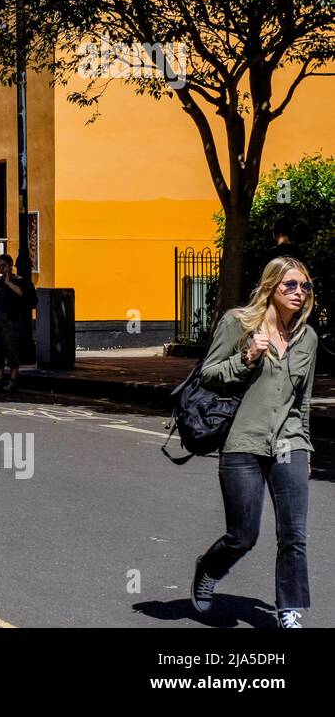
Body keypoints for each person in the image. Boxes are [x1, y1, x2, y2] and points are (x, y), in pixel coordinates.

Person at [191, 257, 318, 630]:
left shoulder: (307, 337)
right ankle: (208, 568)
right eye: (291, 286)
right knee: (242, 536)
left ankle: (289, 609)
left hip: (290, 442)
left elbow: (304, 400)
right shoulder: (239, 324)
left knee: (294, 534)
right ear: (271, 287)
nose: (300, 293)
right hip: (242, 441)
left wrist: (306, 446)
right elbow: (208, 375)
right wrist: (246, 358)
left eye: (305, 286)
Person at [0, 254, 28, 391]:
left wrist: (9, 283)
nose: (0, 268)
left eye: (3, 265)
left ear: (10, 266)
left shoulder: (18, 280)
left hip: (11, 321)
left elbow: (22, 294)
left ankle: (13, 379)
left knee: (11, 349)